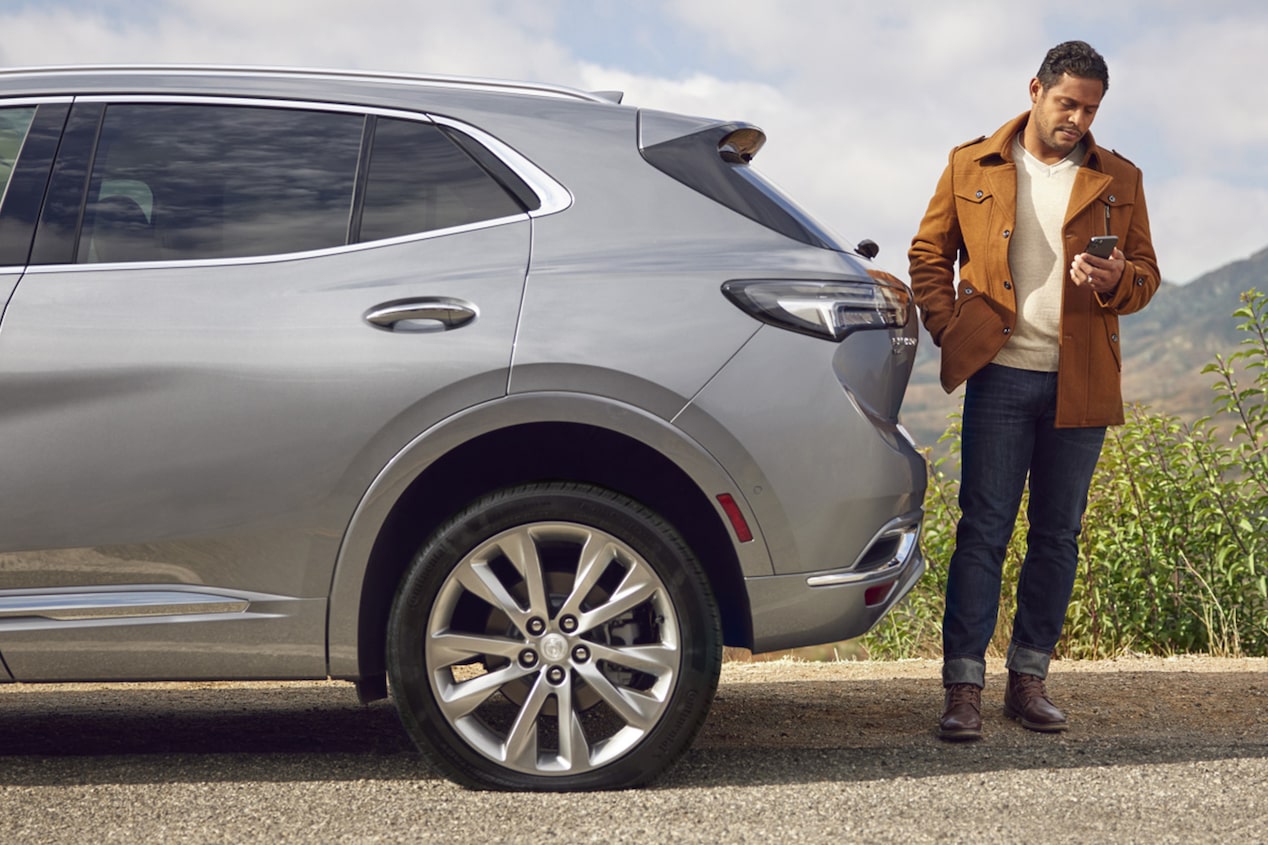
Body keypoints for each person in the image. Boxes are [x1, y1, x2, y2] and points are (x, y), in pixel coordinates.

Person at [908, 40, 1160, 741]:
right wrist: (947, 325)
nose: (1078, 119)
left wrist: (1119, 282)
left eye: (1090, 109)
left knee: (1057, 535)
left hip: (1080, 383)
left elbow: (1146, 273)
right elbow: (929, 254)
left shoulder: (1121, 178)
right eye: (1067, 103)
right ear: (1035, 90)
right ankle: (962, 688)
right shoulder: (972, 163)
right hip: (999, 375)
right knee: (982, 531)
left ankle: (1029, 679)